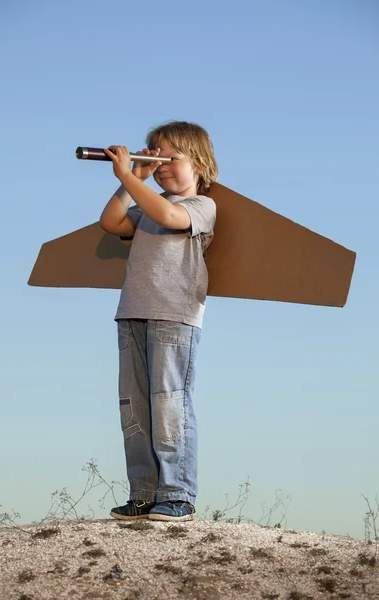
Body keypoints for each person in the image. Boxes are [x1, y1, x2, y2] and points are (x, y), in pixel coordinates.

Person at [100, 121, 218, 522]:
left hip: (174, 316)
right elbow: (111, 223)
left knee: (169, 404)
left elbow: (169, 214)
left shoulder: (199, 207)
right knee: (134, 407)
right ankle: (144, 492)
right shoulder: (145, 207)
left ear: (199, 162)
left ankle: (178, 492)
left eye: (169, 158)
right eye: (155, 157)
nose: (162, 166)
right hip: (132, 313)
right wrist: (130, 179)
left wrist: (131, 180)